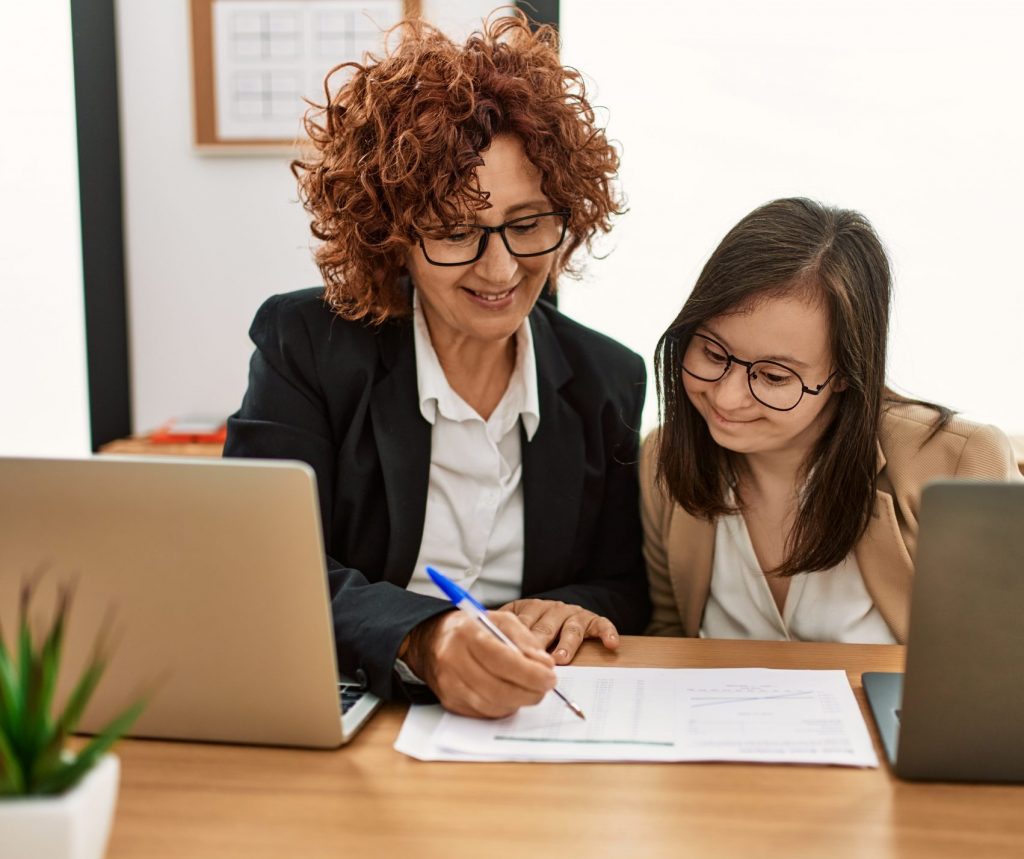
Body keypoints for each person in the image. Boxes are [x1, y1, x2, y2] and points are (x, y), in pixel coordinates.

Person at [224, 12, 649, 717]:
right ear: (392, 235)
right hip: (357, 723)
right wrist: (423, 638)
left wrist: (571, 608)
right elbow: (253, 564)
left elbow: (622, 581)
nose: (502, 266)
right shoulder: (307, 346)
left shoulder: (608, 378)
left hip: (532, 724)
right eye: (456, 230)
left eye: (528, 221)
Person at [641, 197, 1020, 643]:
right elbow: (666, 637)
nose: (727, 396)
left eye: (774, 376)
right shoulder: (661, 457)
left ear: (844, 374)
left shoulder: (957, 465)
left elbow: (998, 665)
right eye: (711, 352)